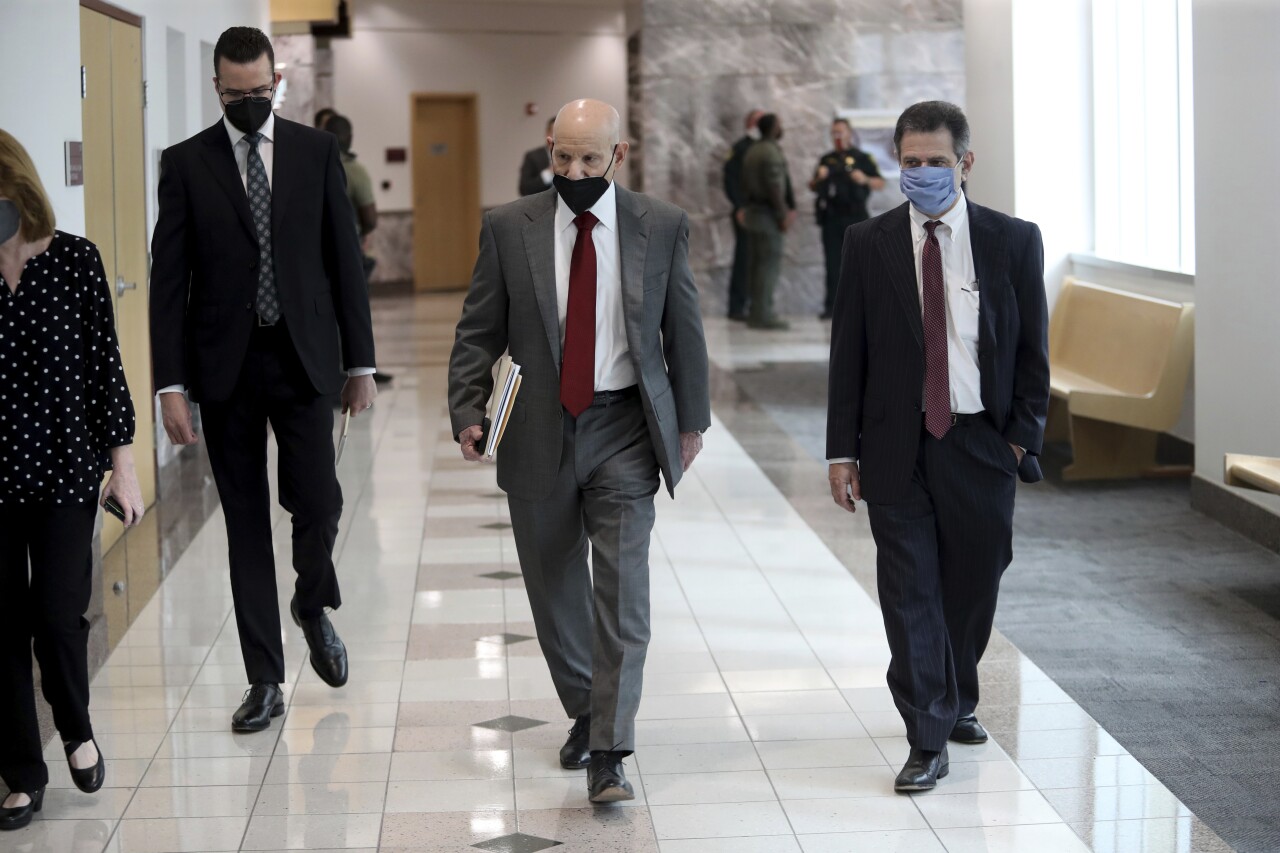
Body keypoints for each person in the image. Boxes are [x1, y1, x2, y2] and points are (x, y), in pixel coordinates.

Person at [449, 99, 710, 804]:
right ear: (548, 147)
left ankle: (609, 746)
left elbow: (683, 329)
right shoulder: (510, 227)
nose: (575, 171)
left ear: (617, 156)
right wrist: (468, 410)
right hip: (537, 425)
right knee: (554, 586)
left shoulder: (660, 225)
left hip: (624, 425)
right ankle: (586, 707)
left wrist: (693, 419)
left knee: (623, 587)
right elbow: (478, 329)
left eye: (590, 159)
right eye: (563, 157)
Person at [149, 27, 377, 734]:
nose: (248, 103)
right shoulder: (186, 163)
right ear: (216, 86)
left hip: (305, 357)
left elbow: (344, 260)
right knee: (244, 524)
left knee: (320, 501)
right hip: (226, 369)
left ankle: (312, 602)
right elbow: (169, 283)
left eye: (259, 91)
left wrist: (361, 363)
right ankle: (265, 678)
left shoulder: (314, 152)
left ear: (276, 80)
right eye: (234, 93)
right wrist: (170, 385)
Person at [825, 101, 1049, 793]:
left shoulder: (1013, 241)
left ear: (966, 164)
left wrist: (1019, 441)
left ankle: (958, 695)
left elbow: (1034, 351)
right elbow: (848, 354)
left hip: (981, 443)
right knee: (909, 589)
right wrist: (842, 451)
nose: (921, 174)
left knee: (972, 584)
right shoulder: (869, 242)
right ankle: (927, 732)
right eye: (911, 162)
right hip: (896, 444)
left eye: (936, 163)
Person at [0, 129, 144, 829]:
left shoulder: (74, 261)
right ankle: (21, 771)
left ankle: (76, 728)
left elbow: (105, 373)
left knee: (58, 617)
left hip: (62, 469)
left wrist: (123, 468)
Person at [810, 118, 884, 320]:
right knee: (833, 264)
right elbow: (813, 186)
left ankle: (862, 307)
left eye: (840, 132)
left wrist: (865, 179)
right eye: (834, 133)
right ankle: (832, 307)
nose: (837, 137)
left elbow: (879, 182)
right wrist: (820, 177)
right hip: (832, 217)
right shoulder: (827, 160)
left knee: (860, 264)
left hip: (857, 216)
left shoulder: (862, 158)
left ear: (849, 133)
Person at [740, 113, 796, 330]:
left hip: (754, 215)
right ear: (772, 128)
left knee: (756, 267)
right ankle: (763, 314)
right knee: (767, 267)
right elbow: (774, 187)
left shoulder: (753, 150)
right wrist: (783, 214)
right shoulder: (770, 152)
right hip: (768, 217)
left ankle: (756, 311)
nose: (782, 127)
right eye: (780, 124)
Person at [722, 108, 764, 320]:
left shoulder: (765, 148)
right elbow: (730, 181)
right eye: (757, 121)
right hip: (745, 212)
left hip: (763, 214)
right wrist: (739, 206)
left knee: (760, 261)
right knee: (744, 259)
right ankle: (737, 307)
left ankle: (756, 305)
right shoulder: (740, 148)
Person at [518, 117, 556, 196]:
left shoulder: (573, 157)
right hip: (540, 205)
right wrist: (549, 173)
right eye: (554, 132)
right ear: (547, 133)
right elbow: (524, 189)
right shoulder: (532, 157)